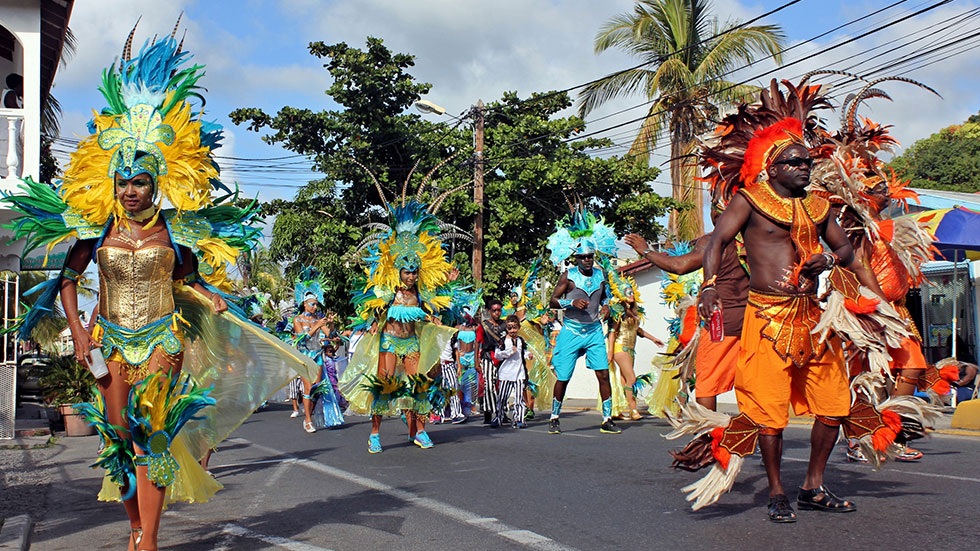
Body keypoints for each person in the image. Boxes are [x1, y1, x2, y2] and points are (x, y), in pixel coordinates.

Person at [2, 24, 316, 551]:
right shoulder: (94, 229)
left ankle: (148, 539)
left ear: (156, 182)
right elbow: (69, 281)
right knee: (118, 436)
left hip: (162, 339)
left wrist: (210, 294)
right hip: (107, 342)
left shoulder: (179, 231)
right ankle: (133, 522)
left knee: (152, 433)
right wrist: (80, 334)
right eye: (122, 181)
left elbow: (189, 279)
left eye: (139, 181)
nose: (129, 190)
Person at [675, 79, 893, 521]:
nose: (803, 167)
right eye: (793, 162)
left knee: (834, 406)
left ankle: (813, 485)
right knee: (767, 412)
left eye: (808, 161)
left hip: (813, 318)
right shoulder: (749, 200)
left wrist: (827, 261)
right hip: (765, 317)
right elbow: (718, 241)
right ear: (771, 168)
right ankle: (777, 491)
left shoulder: (820, 205)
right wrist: (710, 285)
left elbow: (847, 251)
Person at [338, 165, 461, 453]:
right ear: (398, 271)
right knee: (384, 385)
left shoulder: (422, 293)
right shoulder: (386, 291)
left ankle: (418, 431)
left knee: (418, 387)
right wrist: (372, 320)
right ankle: (375, 433)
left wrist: (441, 295)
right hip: (390, 341)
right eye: (406, 272)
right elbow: (371, 309)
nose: (411, 276)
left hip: (413, 341)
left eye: (414, 272)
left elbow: (440, 306)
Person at [625, 206, 747, 412]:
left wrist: (646, 251)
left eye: (717, 205)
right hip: (755, 320)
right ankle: (758, 438)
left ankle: (707, 438)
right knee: (751, 384)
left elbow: (679, 265)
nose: (713, 212)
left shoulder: (713, 241)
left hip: (720, 323)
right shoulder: (757, 240)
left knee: (707, 385)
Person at [545, 207, 619, 434]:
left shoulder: (601, 275)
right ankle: (555, 416)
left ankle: (607, 419)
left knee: (603, 374)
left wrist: (607, 306)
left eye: (590, 256)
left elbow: (606, 297)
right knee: (564, 376)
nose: (587, 260)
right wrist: (570, 303)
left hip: (594, 330)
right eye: (583, 257)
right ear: (576, 258)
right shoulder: (567, 276)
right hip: (572, 330)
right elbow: (552, 301)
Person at [598, 257, 664, 419]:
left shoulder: (634, 313)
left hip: (631, 349)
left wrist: (653, 338)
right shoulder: (618, 311)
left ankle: (618, 409)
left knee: (624, 380)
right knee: (632, 378)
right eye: (628, 292)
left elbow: (638, 331)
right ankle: (633, 410)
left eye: (632, 291)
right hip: (620, 348)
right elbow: (612, 332)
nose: (631, 294)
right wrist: (610, 352)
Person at [492, 315, 533, 428]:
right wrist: (509, 351)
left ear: (518, 327)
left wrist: (528, 355)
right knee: (503, 397)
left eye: (515, 327)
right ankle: (499, 417)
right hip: (506, 373)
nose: (512, 330)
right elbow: (497, 355)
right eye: (510, 328)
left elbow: (523, 351)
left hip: (519, 373)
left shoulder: (520, 341)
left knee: (519, 397)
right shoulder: (503, 341)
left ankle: (519, 419)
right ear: (506, 328)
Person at [476, 299, 507, 424]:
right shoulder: (483, 325)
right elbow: (477, 343)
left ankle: (502, 412)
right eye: (494, 310)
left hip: (502, 358)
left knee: (502, 386)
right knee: (489, 385)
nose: (497, 313)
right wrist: (476, 361)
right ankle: (489, 412)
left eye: (499, 310)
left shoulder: (505, 325)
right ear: (490, 311)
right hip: (488, 356)